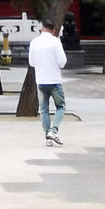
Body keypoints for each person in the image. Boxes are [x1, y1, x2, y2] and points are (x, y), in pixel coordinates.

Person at [28, 18, 67, 146]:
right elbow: (62, 62)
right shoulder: (55, 42)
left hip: (41, 80)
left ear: (41, 28)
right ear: (54, 30)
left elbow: (31, 63)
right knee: (60, 107)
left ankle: (48, 138)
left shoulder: (34, 42)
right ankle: (53, 130)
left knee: (44, 109)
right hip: (54, 80)